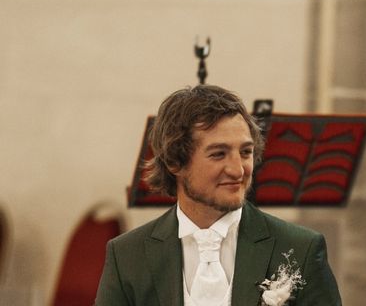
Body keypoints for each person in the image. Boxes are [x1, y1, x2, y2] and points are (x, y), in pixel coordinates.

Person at [95, 84, 341, 306]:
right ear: (174, 161)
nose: (237, 170)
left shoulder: (301, 249)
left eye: (245, 152)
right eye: (218, 154)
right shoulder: (127, 255)